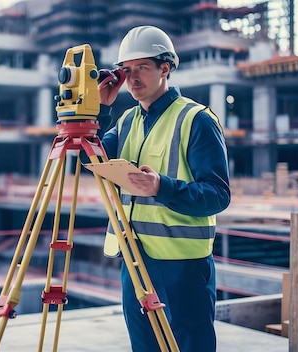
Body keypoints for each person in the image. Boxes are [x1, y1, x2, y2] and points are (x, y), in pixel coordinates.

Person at [95, 25, 231, 352]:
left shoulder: (195, 119)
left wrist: (162, 187)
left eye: (142, 67)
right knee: (144, 346)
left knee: (190, 344)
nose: (133, 78)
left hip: (181, 265)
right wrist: (98, 109)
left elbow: (217, 195)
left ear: (165, 68)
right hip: (134, 258)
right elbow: (86, 157)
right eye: (126, 71)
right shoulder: (126, 121)